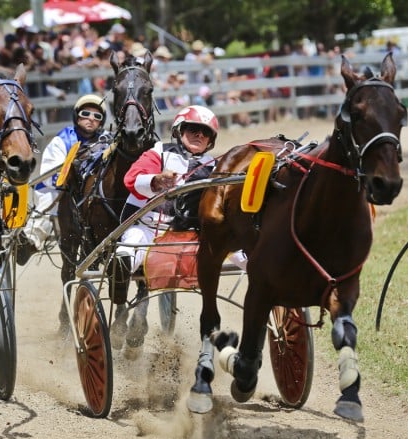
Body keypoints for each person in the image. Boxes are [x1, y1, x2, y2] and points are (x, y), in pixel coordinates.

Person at [107, 105, 247, 352]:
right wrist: (156, 180)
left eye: (205, 133)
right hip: (149, 228)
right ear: (179, 130)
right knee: (129, 247)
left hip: (194, 234)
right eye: (193, 129)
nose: (199, 135)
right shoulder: (158, 152)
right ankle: (120, 281)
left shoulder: (215, 165)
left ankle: (266, 276)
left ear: (211, 140)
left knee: (239, 250)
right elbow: (132, 178)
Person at [16, 94, 112, 265]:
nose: (91, 119)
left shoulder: (107, 139)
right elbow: (52, 176)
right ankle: (32, 238)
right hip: (58, 191)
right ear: (77, 116)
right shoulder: (63, 139)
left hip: (92, 192)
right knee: (52, 204)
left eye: (97, 116)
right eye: (85, 114)